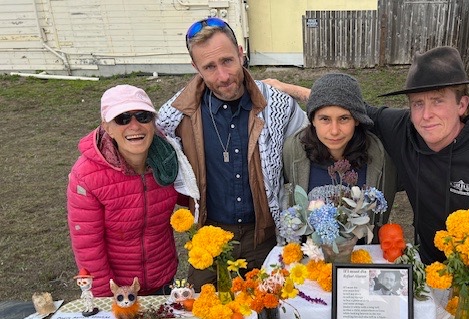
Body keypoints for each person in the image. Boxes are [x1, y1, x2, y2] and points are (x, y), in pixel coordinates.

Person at [264, 46, 469, 269]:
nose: (427, 114)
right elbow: (349, 106)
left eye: (438, 101)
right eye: (418, 103)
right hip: (428, 261)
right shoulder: (403, 128)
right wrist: (289, 89)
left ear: (462, 104)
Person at [157, 18, 308, 290]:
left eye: (227, 61)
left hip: (264, 238)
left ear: (241, 53)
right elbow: (133, 142)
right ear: (195, 68)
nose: (223, 76)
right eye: (210, 67)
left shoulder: (279, 106)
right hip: (209, 239)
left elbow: (313, 150)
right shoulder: (176, 116)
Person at [68, 84, 186, 297]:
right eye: (122, 119)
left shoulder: (169, 160)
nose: (134, 126)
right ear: (107, 127)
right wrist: (107, 297)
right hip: (118, 291)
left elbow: (195, 197)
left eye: (143, 116)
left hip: (163, 277)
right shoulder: (86, 175)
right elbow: (88, 248)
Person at [281, 72, 396, 228]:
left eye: (344, 118)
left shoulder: (380, 155)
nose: (334, 131)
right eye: (325, 119)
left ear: (357, 119)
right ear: (312, 120)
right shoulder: (293, 151)